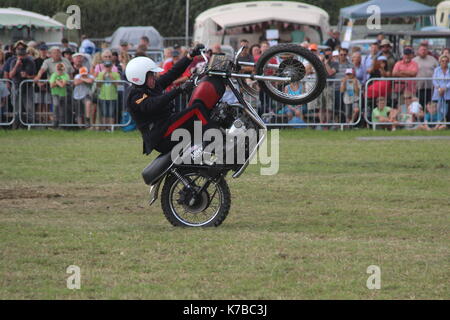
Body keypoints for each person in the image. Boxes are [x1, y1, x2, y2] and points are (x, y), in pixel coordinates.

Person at [125, 44, 224, 155]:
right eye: (151, 75)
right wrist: (179, 89)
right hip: (160, 135)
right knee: (197, 109)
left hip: (167, 126)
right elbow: (152, 104)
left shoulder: (151, 85)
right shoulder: (134, 95)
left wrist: (189, 57)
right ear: (140, 77)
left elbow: (172, 74)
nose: (154, 77)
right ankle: (215, 142)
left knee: (198, 103)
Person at [96, 60, 121, 127]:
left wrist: (112, 79)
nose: (107, 68)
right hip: (103, 96)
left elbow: (118, 85)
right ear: (104, 67)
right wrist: (103, 78)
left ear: (111, 66)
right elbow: (98, 85)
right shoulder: (101, 74)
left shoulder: (116, 74)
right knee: (104, 113)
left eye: (109, 66)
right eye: (106, 66)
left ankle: (111, 127)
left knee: (111, 113)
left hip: (112, 96)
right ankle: (104, 127)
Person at [49, 63, 70, 127]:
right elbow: (51, 85)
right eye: (58, 70)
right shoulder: (53, 75)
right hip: (55, 94)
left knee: (62, 109)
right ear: (56, 69)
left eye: (61, 70)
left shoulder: (66, 75)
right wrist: (59, 82)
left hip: (63, 94)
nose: (60, 71)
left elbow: (62, 85)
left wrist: (57, 81)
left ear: (63, 69)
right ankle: (55, 122)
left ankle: (62, 124)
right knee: (56, 106)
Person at [432, 54, 450, 126]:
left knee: (448, 110)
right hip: (438, 92)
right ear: (440, 62)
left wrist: (445, 88)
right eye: (442, 61)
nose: (444, 62)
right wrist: (439, 88)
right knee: (438, 109)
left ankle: (447, 124)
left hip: (448, 92)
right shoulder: (437, 70)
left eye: (446, 61)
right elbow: (434, 80)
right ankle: (438, 124)